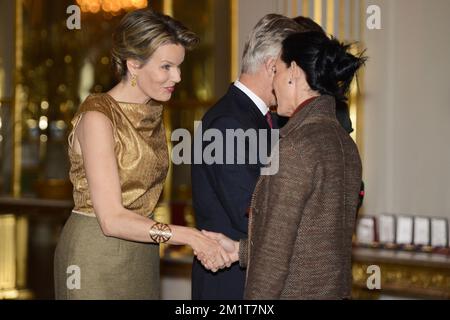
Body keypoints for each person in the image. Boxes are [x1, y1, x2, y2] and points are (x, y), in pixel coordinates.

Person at [54, 9, 233, 300]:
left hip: (144, 251)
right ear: (134, 64)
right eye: (166, 66)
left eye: (178, 66)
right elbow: (111, 219)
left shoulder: (152, 112)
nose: (177, 76)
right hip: (95, 256)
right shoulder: (98, 117)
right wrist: (190, 236)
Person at [203, 31, 366, 299]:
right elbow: (311, 242)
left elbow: (275, 254)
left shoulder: (296, 146)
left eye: (276, 70)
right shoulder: (344, 143)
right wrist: (239, 251)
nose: (273, 84)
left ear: (294, 72)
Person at [190, 14, 303, 300]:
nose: (297, 80)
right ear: (272, 66)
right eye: (294, 70)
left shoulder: (261, 118)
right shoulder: (228, 122)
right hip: (231, 287)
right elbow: (251, 213)